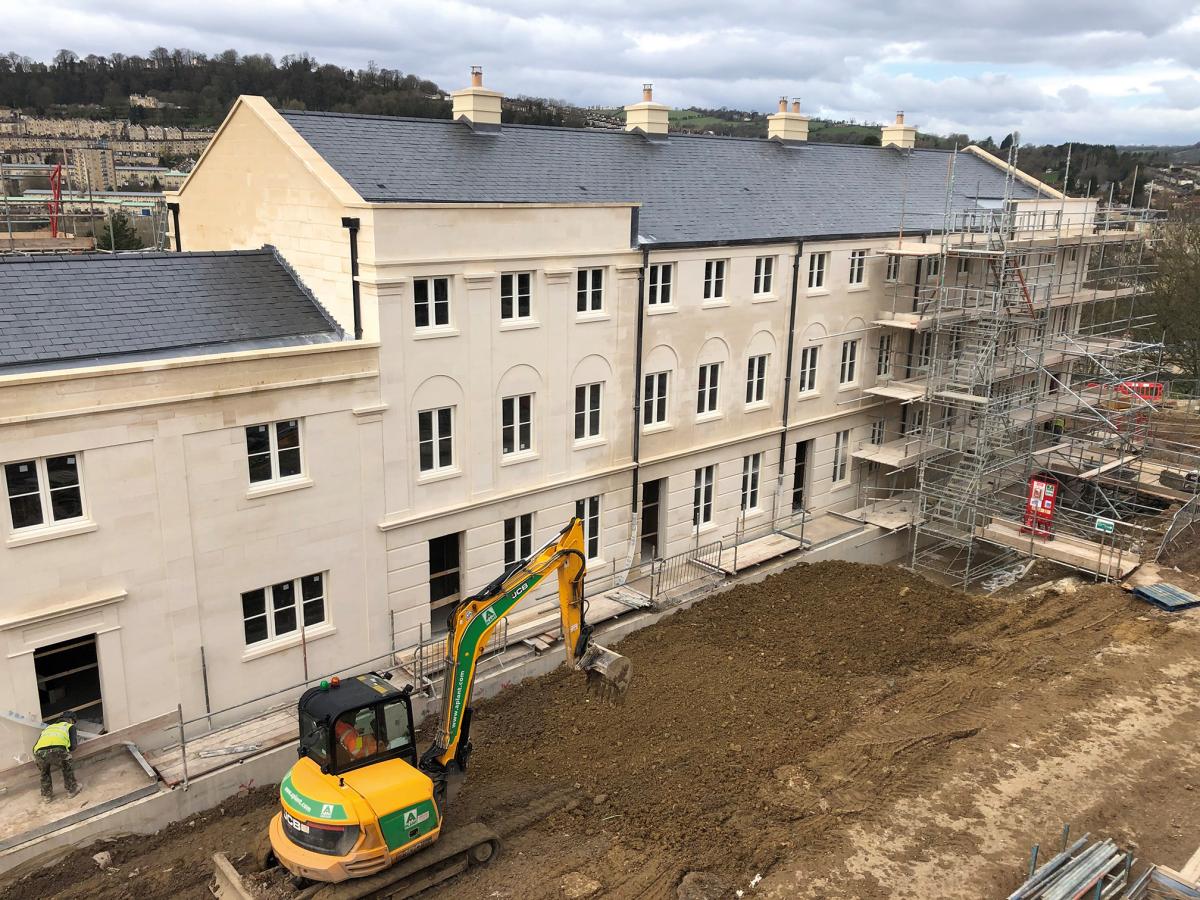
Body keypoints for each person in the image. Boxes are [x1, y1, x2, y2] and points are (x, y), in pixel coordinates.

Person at [33, 712, 80, 802]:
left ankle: (46, 796)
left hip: (39, 752)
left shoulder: (48, 728)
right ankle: (72, 789)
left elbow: (36, 745)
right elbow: (73, 747)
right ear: (72, 720)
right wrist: (65, 747)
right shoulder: (70, 726)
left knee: (44, 771)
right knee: (66, 765)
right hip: (57, 750)